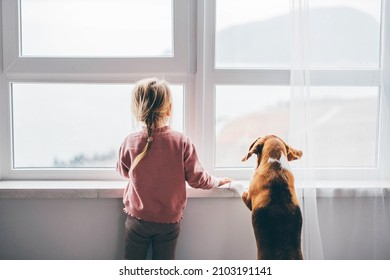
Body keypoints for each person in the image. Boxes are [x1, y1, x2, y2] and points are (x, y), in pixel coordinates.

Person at [116, 78, 232, 260]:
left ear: (137, 111)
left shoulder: (130, 142)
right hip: (168, 222)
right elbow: (197, 178)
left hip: (137, 219)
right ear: (169, 109)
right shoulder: (181, 142)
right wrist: (216, 181)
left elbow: (123, 172)